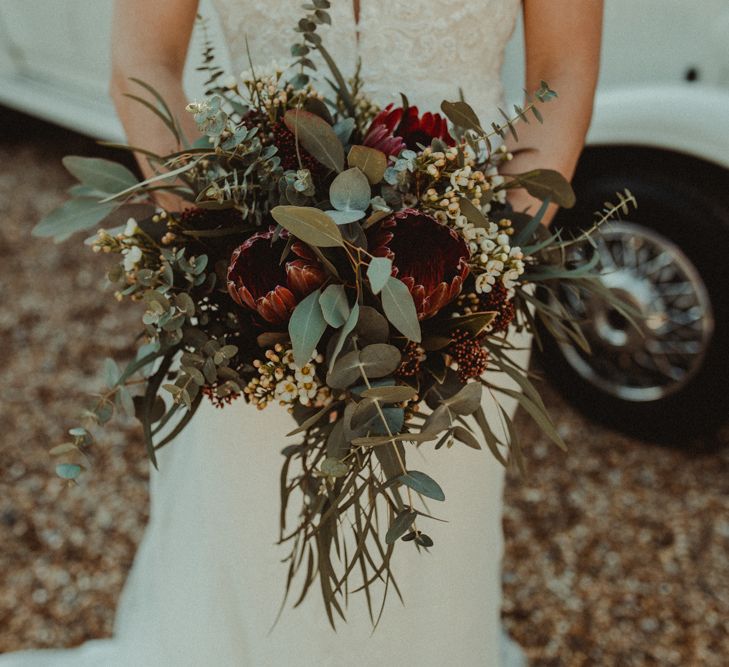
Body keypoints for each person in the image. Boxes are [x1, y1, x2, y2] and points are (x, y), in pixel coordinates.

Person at [2, 1, 601, 665]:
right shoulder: (252, 280)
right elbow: (144, 63)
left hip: (452, 282)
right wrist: (237, 255)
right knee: (255, 530)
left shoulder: (469, 289)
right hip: (258, 297)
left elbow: (563, 68)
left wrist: (484, 269)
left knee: (431, 542)